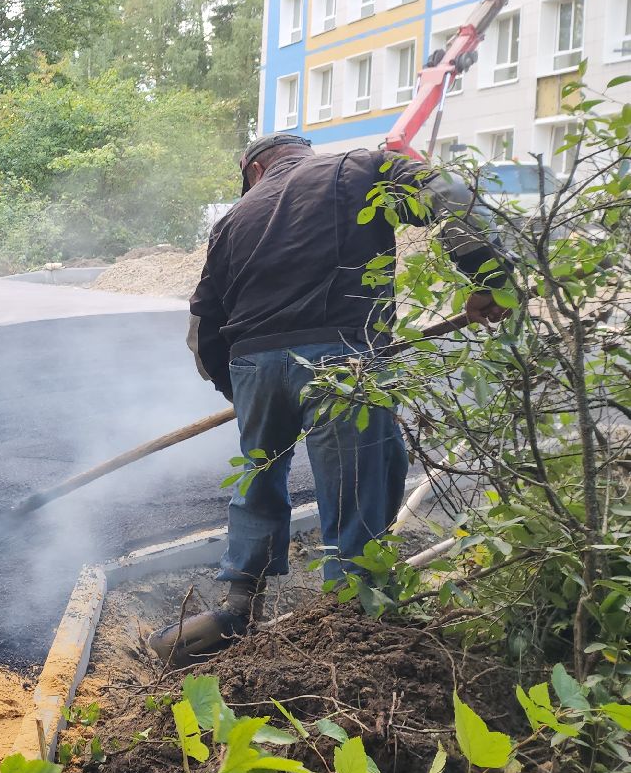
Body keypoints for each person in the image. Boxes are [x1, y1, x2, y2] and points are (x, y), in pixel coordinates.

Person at [183, 132, 506, 644]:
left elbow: (204, 320)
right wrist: (491, 277)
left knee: (260, 477)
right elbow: (448, 193)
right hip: (341, 358)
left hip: (253, 364)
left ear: (254, 170)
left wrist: (239, 388)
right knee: (359, 482)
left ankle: (240, 606)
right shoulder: (362, 168)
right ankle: (350, 619)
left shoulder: (232, 219)